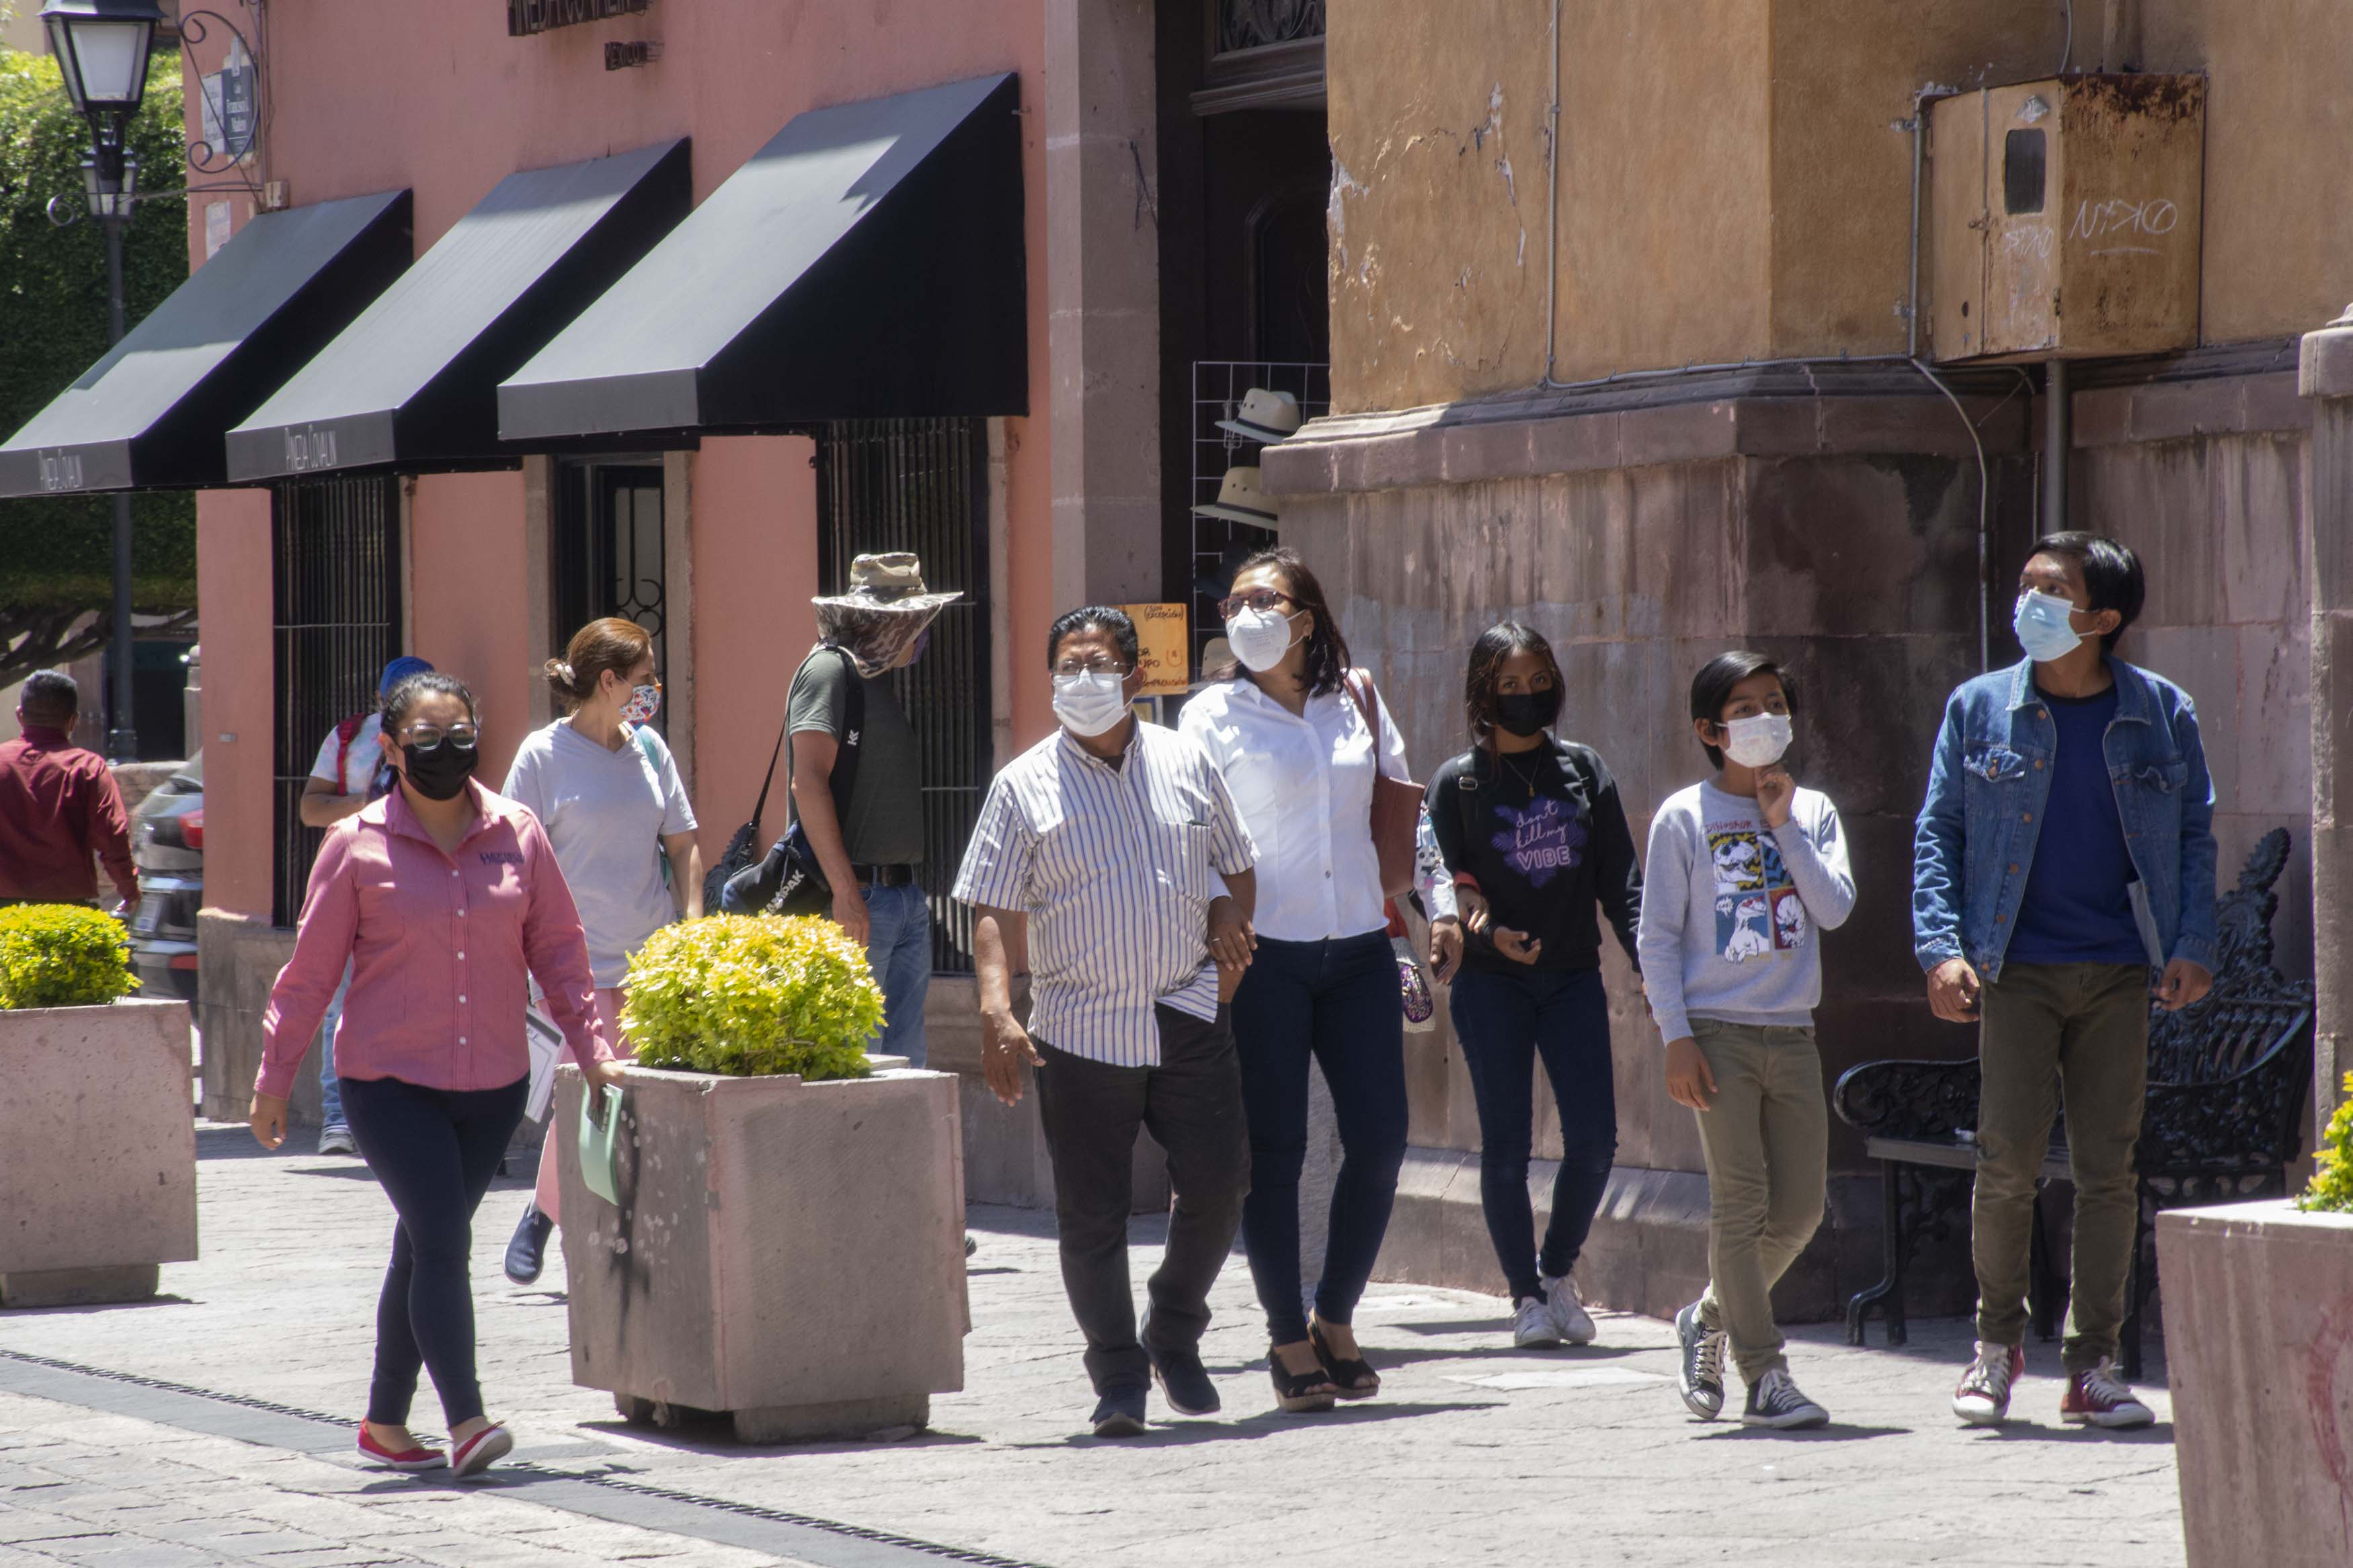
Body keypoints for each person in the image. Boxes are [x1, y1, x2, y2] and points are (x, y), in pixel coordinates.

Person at [249, 670, 625, 1478]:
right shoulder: (355, 843)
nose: (445, 751)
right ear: (390, 748)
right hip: (388, 1081)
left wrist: (594, 1050)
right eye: (425, 739)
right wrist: (274, 1077)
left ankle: (385, 1422)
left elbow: (559, 950)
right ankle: (467, 1419)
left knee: (421, 1246)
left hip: (491, 1085)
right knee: (445, 1240)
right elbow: (311, 972)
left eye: (459, 736)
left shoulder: (517, 831)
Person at [1917, 531, 2215, 1432]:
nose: (2030, 603)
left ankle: (2094, 1365)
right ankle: (1996, 1347)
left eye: (2053, 589)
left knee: (2106, 1171)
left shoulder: (2162, 713)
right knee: (2005, 1161)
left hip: (2122, 971)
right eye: (2027, 584)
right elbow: (1940, 833)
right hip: (2013, 969)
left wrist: (2195, 942)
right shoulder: (1978, 709)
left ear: (2104, 618)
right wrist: (1940, 947)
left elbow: (2196, 838)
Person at [953, 606, 1258, 1438]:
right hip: (1081, 1025)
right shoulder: (1022, 784)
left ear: (1130, 672)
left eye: (1097, 663)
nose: (1080, 679)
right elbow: (992, 907)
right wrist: (995, 1008)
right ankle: (1118, 1375)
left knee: (1220, 1182)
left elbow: (1233, 864)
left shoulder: (1185, 760)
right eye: (1066, 665)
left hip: (1187, 1006)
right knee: (1091, 1213)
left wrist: (1229, 925)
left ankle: (1172, 1326)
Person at [1177, 547, 1410, 1411]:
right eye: (1233, 600)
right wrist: (1214, 910)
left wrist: (1440, 905)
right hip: (1262, 954)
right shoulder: (1207, 715)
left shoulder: (1358, 698)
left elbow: (1397, 806)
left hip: (1356, 944)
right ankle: (1285, 1337)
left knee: (1381, 1139)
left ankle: (1335, 1316)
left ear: (1304, 618)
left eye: (1262, 598)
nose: (1243, 612)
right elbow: (1187, 831)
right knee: (1274, 1151)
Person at [1640, 652, 1854, 1430]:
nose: (1763, 718)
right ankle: (1764, 1373)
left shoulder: (1814, 810)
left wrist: (1780, 823)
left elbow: (1832, 909)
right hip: (1717, 1034)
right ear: (1709, 728)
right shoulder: (1682, 817)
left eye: (1775, 703)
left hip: (1792, 1031)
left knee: (1796, 1211)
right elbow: (1657, 936)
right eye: (1743, 707)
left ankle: (1707, 1313)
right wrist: (1675, 1036)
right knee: (1739, 1205)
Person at [1424, 623, 1642, 1350]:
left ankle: (1554, 1274)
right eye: (1508, 685)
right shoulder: (1457, 782)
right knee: (1507, 1144)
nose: (1525, 696)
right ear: (1481, 692)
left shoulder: (1584, 769)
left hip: (1573, 975)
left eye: (1536, 680)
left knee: (1594, 1140)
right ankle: (1521, 1296)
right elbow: (1445, 888)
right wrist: (1487, 933)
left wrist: (1651, 967)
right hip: (1492, 986)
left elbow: (1622, 886)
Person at [498, 618, 701, 1286]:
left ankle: (595, 1226)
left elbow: (683, 841)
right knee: (591, 1096)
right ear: (608, 681)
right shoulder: (542, 756)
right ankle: (547, 1216)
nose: (654, 689)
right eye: (645, 677)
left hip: (650, 956)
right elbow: (510, 856)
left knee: (630, 1101)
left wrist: (691, 927)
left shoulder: (650, 750)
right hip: (571, 961)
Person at [789, 552, 961, 1065]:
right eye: (916, 620)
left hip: (900, 898)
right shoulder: (828, 669)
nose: (922, 632)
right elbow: (809, 781)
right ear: (890, 621)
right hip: (859, 899)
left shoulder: (875, 681)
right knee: (855, 1066)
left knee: (905, 1069)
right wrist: (846, 892)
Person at [300, 654, 434, 1156]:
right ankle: (338, 1118)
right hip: (357, 878)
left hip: (422, 884)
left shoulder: (440, 737)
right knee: (342, 1004)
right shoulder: (350, 739)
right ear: (382, 700)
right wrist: (371, 806)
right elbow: (311, 806)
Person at [0, 669, 137, 913]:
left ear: (21, 716)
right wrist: (130, 892)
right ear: (74, 720)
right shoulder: (88, 768)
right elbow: (111, 835)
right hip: (67, 914)